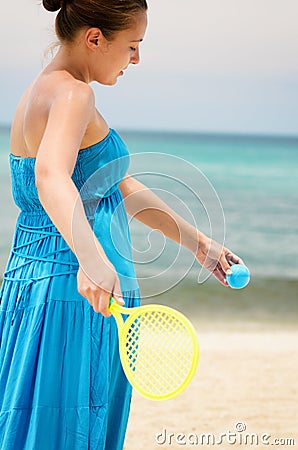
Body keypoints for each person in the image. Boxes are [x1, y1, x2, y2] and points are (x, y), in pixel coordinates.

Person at [0, 0, 244, 448]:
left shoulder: (40, 90)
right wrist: (92, 260)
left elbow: (114, 185)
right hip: (79, 298)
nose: (136, 60)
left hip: (32, 284)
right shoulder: (75, 94)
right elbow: (50, 176)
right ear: (95, 38)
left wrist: (198, 244)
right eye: (132, 46)